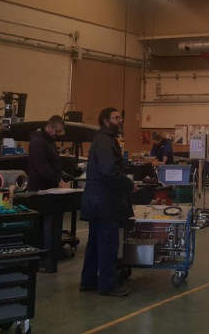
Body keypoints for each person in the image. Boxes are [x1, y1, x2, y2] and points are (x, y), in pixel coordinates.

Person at [80, 107, 134, 297]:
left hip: (98, 201)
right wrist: (128, 184)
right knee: (108, 245)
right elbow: (108, 171)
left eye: (120, 117)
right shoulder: (105, 142)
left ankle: (88, 281)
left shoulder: (105, 140)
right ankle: (108, 284)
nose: (120, 120)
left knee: (95, 244)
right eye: (115, 117)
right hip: (105, 203)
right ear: (105, 121)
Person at [27, 115, 70, 191]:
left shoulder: (49, 140)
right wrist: (59, 180)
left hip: (49, 186)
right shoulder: (38, 142)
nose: (57, 134)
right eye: (57, 131)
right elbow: (42, 167)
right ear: (49, 127)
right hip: (40, 188)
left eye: (60, 132)